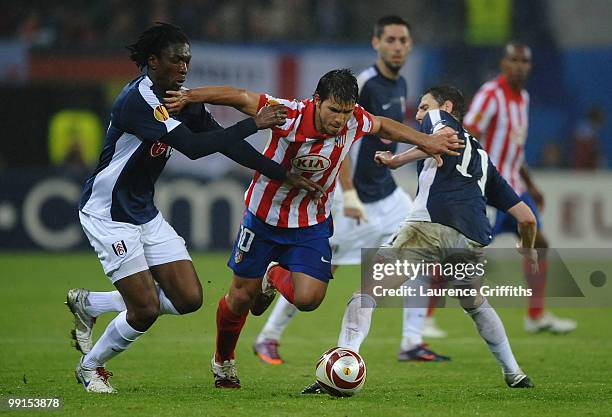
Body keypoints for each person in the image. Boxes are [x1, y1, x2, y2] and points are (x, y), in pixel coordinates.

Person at [164, 69, 464, 388]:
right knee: (240, 298)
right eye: (334, 110)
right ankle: (223, 362)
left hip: (310, 222)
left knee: (309, 299)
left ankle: (272, 276)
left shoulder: (353, 121)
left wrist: (428, 141)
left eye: (346, 112)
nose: (339, 119)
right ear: (316, 101)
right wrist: (190, 95)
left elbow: (383, 123)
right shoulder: (288, 114)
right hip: (264, 218)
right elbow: (239, 96)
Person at [65, 22, 322, 394]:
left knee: (188, 298)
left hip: (143, 212)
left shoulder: (180, 99)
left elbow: (221, 143)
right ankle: (91, 367)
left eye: (187, 60)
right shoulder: (138, 101)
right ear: (152, 61)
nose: (184, 67)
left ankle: (90, 304)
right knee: (146, 310)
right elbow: (194, 148)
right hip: (108, 214)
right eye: (176, 60)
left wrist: (283, 174)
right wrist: (255, 123)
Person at [303, 85, 538, 393]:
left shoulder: (441, 120)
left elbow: (436, 138)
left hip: (427, 228)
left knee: (366, 293)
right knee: (477, 305)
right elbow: (526, 218)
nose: (418, 114)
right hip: (470, 241)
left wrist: (405, 153)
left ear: (447, 107)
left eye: (424, 106)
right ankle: (514, 372)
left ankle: (344, 365)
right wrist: (527, 247)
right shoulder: (482, 159)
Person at [252, 15, 449, 366]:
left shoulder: (399, 84)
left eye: (403, 40)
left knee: (420, 254)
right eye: (390, 40)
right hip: (351, 199)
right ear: (376, 43)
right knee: (320, 273)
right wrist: (350, 194)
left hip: (387, 197)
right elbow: (336, 142)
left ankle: (412, 341)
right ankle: (269, 336)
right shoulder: (366, 84)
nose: (398, 46)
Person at [463, 42, 576, 334]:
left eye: (525, 61)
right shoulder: (490, 95)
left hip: (516, 190)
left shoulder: (523, 97)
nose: (520, 66)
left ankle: (535, 316)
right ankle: (424, 319)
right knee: (463, 253)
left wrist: (532, 185)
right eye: (514, 60)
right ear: (503, 63)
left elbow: (516, 148)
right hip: (489, 189)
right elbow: (468, 134)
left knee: (540, 244)